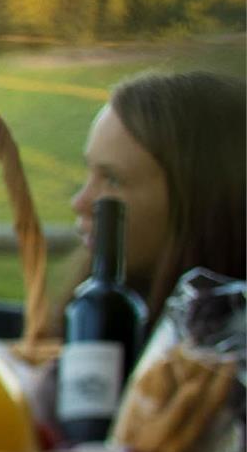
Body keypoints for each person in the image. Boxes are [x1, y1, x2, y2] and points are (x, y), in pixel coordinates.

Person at [69, 69, 246, 326]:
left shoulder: (223, 356)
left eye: (113, 179)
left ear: (198, 201)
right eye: (90, 172)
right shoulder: (90, 315)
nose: (80, 202)